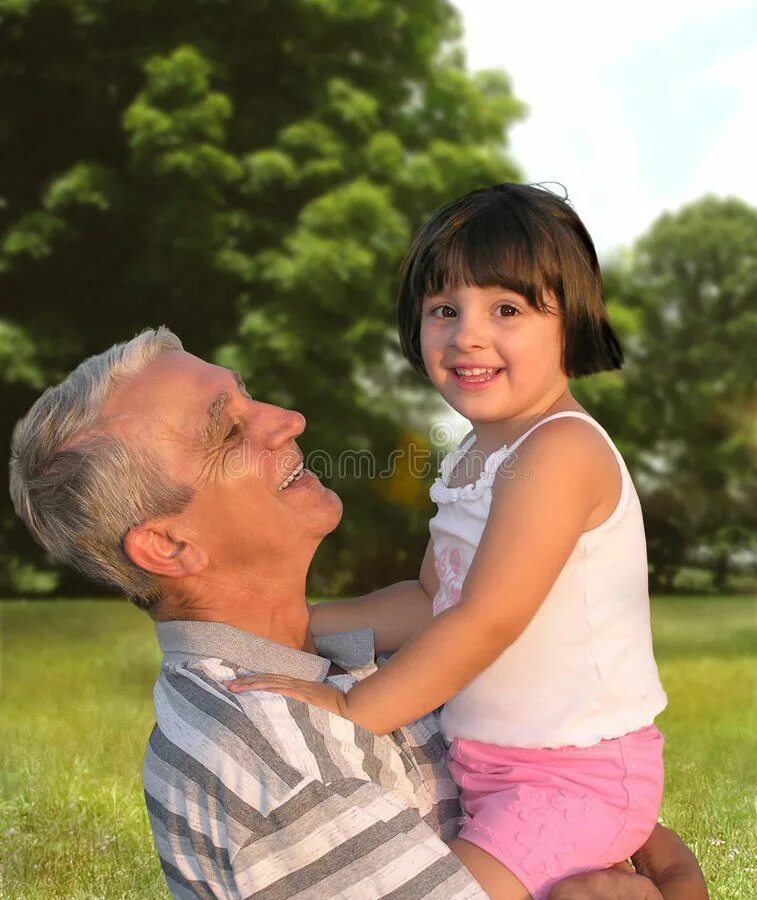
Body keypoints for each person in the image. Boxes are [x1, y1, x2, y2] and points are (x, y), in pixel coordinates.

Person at [8, 328, 706, 899]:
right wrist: (675, 884)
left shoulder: (344, 653)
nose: (288, 420)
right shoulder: (284, 775)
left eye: (249, 397)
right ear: (168, 545)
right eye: (227, 434)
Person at [226, 184, 672, 900]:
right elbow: (434, 600)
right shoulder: (474, 455)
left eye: (505, 309)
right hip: (492, 767)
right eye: (444, 310)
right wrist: (295, 625)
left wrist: (351, 712)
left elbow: (486, 619)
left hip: (573, 776)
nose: (466, 334)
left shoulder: (559, 452)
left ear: (571, 320)